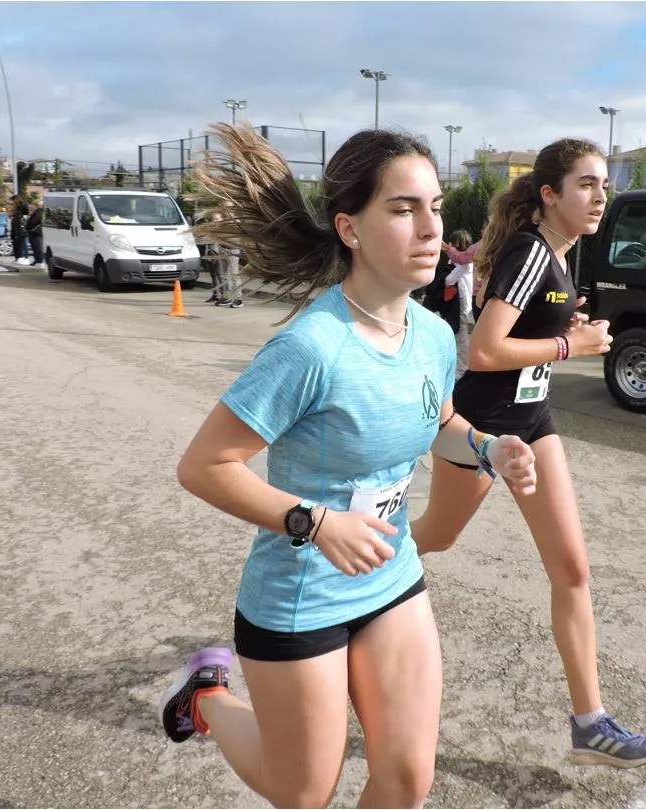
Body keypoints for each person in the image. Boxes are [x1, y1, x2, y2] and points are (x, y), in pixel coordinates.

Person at [158, 123, 539, 809]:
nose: (431, 228)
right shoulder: (312, 348)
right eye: (402, 208)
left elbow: (441, 422)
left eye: (435, 205)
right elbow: (204, 465)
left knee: (405, 780)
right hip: (301, 596)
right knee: (302, 791)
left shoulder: (428, 332)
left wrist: (489, 449)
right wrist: (314, 521)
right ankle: (209, 698)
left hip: (392, 577)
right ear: (350, 228)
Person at [410, 138, 646, 769]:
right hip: (486, 425)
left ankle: (590, 724)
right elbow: (486, 352)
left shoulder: (558, 255)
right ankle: (341, 551)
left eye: (604, 184)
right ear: (550, 195)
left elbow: (525, 331)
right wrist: (567, 349)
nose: (600, 195)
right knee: (434, 539)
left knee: (572, 569)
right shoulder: (530, 250)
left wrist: (562, 329)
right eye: (585, 184)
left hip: (535, 423)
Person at [443, 229, 475, 376]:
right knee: (456, 334)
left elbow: (449, 280)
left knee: (460, 336)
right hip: (458, 302)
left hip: (461, 302)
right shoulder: (461, 262)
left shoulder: (465, 265)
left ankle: (461, 370)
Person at [25, 196, 44, 269]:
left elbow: (33, 222)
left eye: (32, 205)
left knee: (38, 248)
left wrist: (29, 218)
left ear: (35, 205)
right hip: (33, 233)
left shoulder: (38, 212)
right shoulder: (36, 212)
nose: (31, 207)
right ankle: (37, 260)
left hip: (37, 233)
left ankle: (39, 261)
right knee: (35, 248)